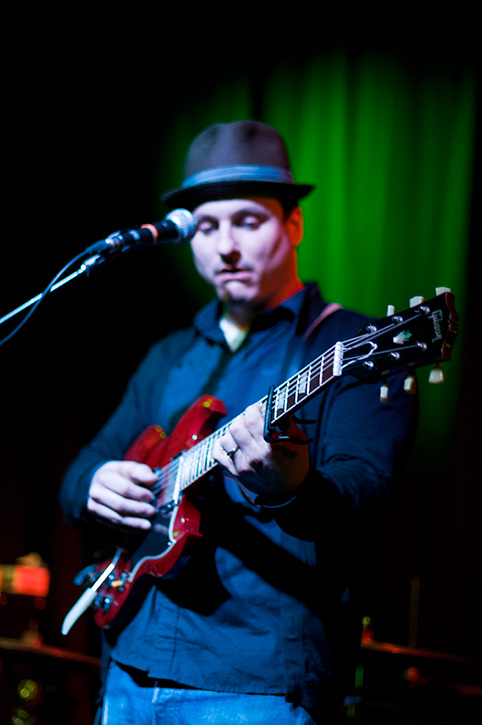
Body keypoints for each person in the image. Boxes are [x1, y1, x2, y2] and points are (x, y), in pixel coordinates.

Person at [60, 120, 418, 723]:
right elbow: (81, 471)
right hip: (127, 666)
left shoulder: (349, 343)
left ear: (293, 225)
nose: (225, 246)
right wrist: (93, 485)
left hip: (255, 686)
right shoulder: (169, 354)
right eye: (205, 227)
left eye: (247, 222)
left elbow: (363, 497)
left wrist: (294, 489)